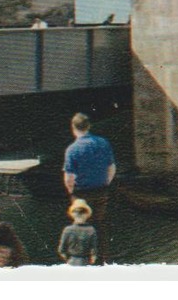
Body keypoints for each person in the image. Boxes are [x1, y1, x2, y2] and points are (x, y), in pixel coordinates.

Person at [63, 112, 115, 262]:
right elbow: (111, 167)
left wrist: (71, 192)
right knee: (99, 225)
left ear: (73, 128)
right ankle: (102, 259)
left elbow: (69, 178)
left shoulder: (72, 149)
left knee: (81, 226)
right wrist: (106, 183)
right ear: (89, 126)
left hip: (81, 193)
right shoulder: (103, 143)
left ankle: (82, 260)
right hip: (101, 190)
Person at [57, 200, 98, 266]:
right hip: (78, 262)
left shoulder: (90, 230)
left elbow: (61, 250)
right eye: (76, 212)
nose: (79, 214)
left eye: (82, 212)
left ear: (86, 214)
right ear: (72, 214)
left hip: (79, 262)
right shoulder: (68, 230)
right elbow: (61, 250)